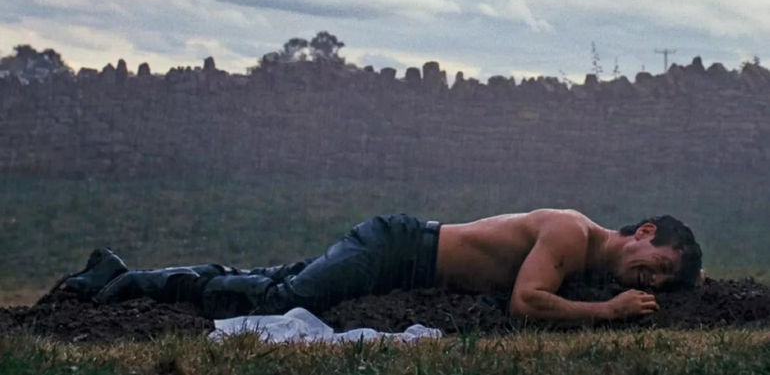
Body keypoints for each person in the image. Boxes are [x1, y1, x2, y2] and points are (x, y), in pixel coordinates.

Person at [60, 209, 702, 320]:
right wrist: (608, 311)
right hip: (397, 248)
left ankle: (116, 274)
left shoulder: (589, 264)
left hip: (402, 263)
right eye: (658, 264)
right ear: (643, 232)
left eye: (661, 284)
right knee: (275, 302)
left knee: (272, 281)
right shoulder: (569, 232)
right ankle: (120, 284)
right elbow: (526, 302)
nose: (651, 280)